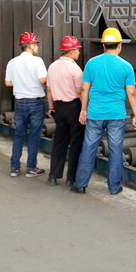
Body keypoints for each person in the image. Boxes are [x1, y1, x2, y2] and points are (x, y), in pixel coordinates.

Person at [71, 28, 136, 195]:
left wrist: (83, 109)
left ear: (103, 45)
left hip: (95, 114)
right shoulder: (126, 66)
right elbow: (131, 92)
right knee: (116, 151)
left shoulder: (91, 63)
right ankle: (114, 187)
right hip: (116, 115)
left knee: (88, 148)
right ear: (120, 45)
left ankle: (80, 184)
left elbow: (84, 89)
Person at [5, 32, 48, 178]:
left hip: (19, 102)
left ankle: (14, 168)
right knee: (34, 136)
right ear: (30, 45)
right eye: (35, 44)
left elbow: (7, 83)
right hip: (35, 102)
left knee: (19, 135)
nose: (37, 47)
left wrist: (21, 83)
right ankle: (31, 168)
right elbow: (43, 80)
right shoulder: (38, 61)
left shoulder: (12, 62)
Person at [46, 36, 85, 187]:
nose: (79, 53)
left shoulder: (52, 66)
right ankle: (71, 178)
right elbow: (80, 91)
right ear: (72, 50)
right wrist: (84, 109)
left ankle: (53, 176)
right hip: (74, 107)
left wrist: (51, 107)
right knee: (76, 143)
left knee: (59, 142)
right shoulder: (75, 69)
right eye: (77, 50)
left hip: (59, 108)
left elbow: (49, 89)